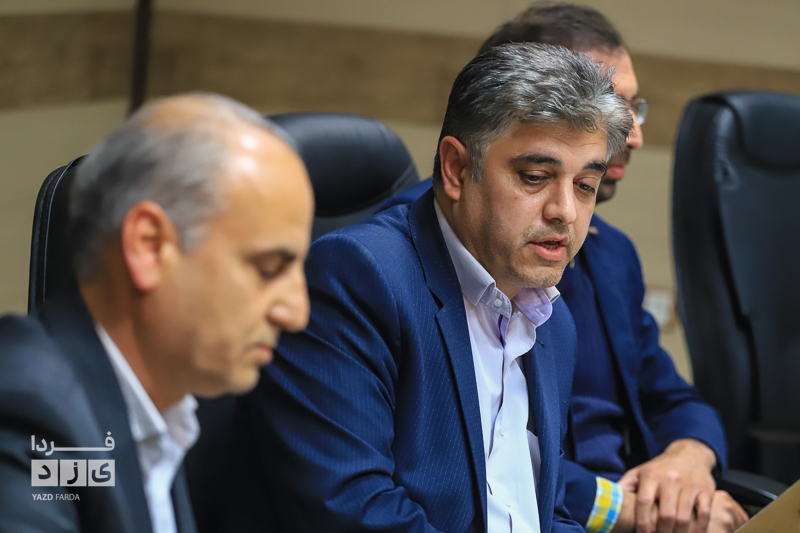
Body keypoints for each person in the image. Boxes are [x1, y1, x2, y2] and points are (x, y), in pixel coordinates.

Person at [225, 43, 632, 533]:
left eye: (585, 186)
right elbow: (356, 511)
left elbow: (544, 514)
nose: (565, 211)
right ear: (456, 169)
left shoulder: (551, 318)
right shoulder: (358, 277)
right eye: (534, 177)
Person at [383, 4, 749, 533]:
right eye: (535, 176)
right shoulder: (418, 257)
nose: (632, 134)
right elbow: (480, 465)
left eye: (632, 108)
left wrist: (688, 462)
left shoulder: (610, 252)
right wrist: (628, 510)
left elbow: (667, 395)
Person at [0, 94, 314, 533]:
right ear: (149, 247)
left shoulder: (160, 409)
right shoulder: (27, 413)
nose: (297, 314)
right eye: (268, 269)